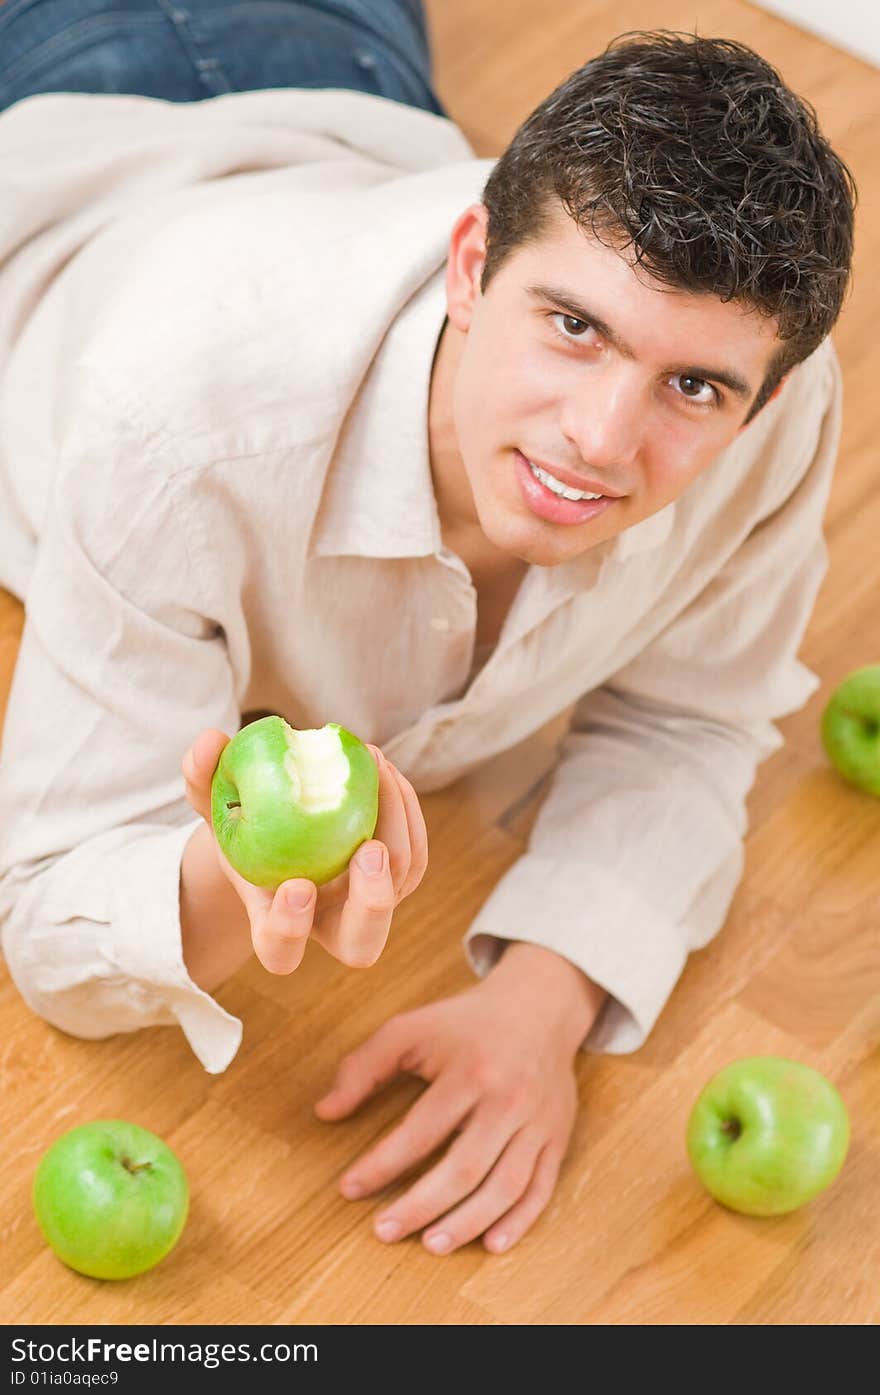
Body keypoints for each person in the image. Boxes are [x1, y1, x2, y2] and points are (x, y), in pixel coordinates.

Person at [0, 3, 856, 1259]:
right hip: (67, 100)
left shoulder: (771, 398)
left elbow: (691, 715)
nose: (600, 440)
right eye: (574, 326)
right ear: (470, 266)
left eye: (690, 387)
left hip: (349, 88)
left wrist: (544, 993)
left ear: (766, 394)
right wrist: (226, 884)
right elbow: (48, 911)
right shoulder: (176, 423)